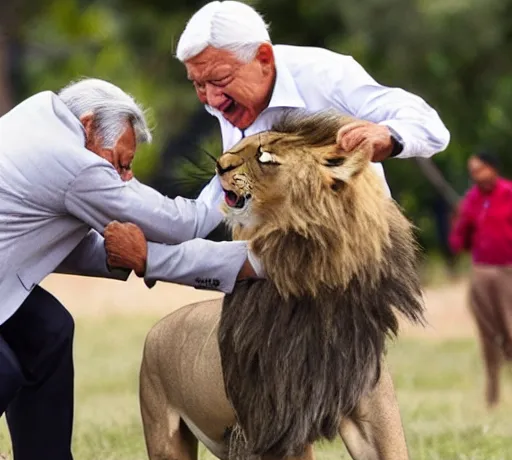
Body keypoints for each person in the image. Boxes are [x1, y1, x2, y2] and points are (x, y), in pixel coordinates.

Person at [0, 77, 257, 460]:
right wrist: (236, 170)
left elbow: (66, 243)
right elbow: (183, 223)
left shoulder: (39, 114)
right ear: (86, 125)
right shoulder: (73, 164)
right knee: (4, 368)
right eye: (118, 163)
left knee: (49, 332)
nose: (123, 178)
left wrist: (138, 258)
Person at [105, 0, 451, 291]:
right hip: (272, 244)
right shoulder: (227, 99)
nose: (211, 98)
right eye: (198, 85)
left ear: (265, 59)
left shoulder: (324, 74)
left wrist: (388, 136)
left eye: (220, 80)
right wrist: (165, 234)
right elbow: (232, 190)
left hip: (346, 246)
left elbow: (430, 125)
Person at [449, 151, 512, 407]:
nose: (475, 175)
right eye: (472, 170)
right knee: (488, 334)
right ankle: (492, 396)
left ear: (492, 169)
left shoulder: (508, 194)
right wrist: (461, 221)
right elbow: (458, 242)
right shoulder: (471, 201)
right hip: (481, 272)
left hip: (508, 271)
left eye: (479, 169)